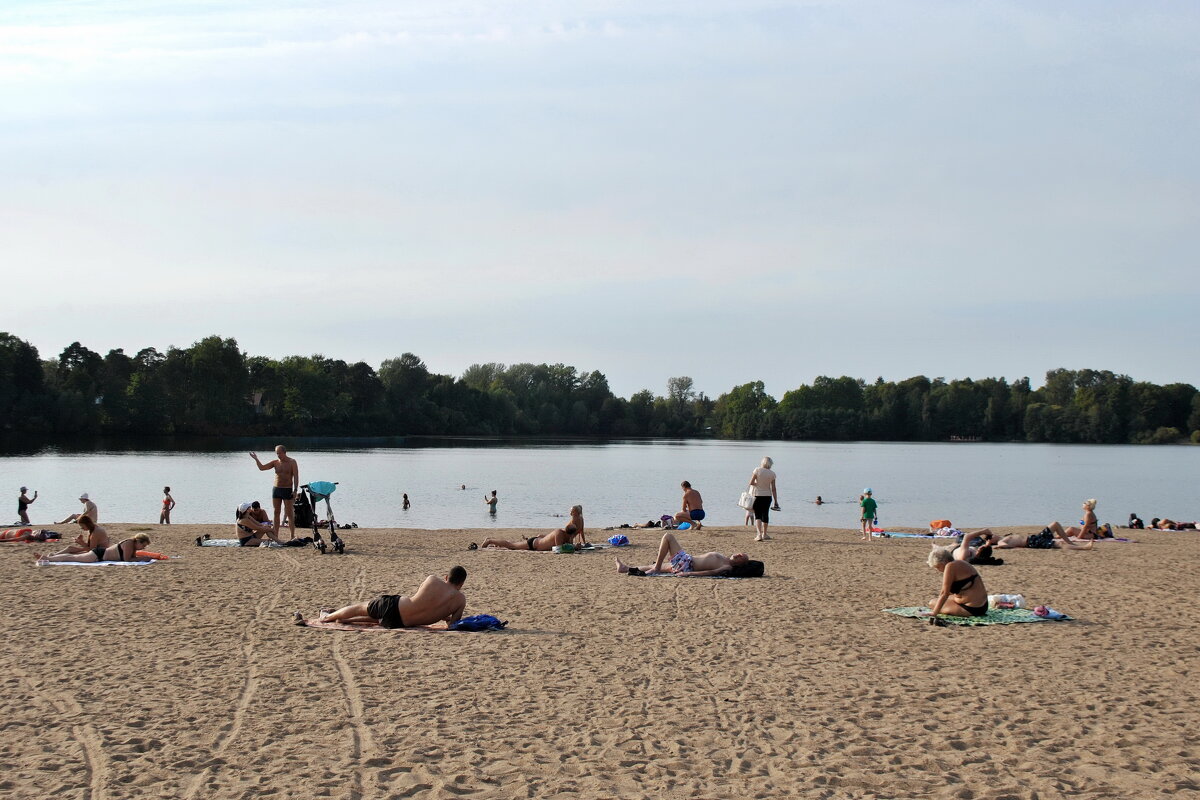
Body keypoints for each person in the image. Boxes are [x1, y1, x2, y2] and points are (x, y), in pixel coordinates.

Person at [303, 567, 468, 629]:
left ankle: (328, 617)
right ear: (461, 584)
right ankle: (342, 619)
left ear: (446, 577)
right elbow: (453, 624)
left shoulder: (433, 579)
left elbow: (421, 600)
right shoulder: (460, 600)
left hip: (396, 606)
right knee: (373, 618)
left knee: (360, 607)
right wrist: (443, 615)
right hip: (399, 623)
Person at [614, 531, 761, 577]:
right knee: (652, 566)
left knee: (668, 536)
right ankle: (625, 568)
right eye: (740, 553)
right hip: (685, 563)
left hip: (687, 563)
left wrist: (688, 574)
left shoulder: (727, 567)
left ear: (741, 563)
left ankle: (657, 567)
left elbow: (710, 572)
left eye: (742, 557)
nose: (738, 554)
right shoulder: (725, 559)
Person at [922, 545, 989, 623]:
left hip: (972, 609)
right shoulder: (961, 563)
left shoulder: (949, 566)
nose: (939, 570)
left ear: (943, 562)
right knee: (939, 600)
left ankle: (938, 609)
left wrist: (934, 613)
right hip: (983, 605)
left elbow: (944, 593)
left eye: (938, 567)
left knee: (932, 603)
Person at [480, 505, 586, 550]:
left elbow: (567, 546)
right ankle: (489, 540)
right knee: (511, 545)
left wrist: (575, 547)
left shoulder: (568, 537)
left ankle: (496, 544)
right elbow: (559, 549)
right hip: (533, 544)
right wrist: (573, 548)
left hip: (538, 542)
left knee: (512, 545)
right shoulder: (559, 533)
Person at [250, 446, 299, 539]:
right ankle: (276, 535)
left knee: (289, 513)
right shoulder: (275, 462)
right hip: (276, 489)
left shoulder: (292, 462)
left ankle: (292, 535)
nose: (278, 455)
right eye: (277, 453)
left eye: (280, 453)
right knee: (276, 512)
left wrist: (295, 490)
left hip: (287, 489)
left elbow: (296, 476)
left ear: (285, 452)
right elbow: (262, 468)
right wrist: (256, 459)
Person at [38, 532, 152, 564]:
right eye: (143, 545)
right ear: (138, 541)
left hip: (101, 555)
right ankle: (49, 558)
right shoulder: (129, 543)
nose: (142, 548)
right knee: (73, 558)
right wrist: (142, 559)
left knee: (74, 557)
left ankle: (53, 556)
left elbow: (132, 558)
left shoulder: (132, 546)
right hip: (99, 554)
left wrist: (141, 558)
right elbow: (127, 560)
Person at [748, 456, 780, 542]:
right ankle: (765, 534)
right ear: (770, 464)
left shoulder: (757, 470)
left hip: (757, 495)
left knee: (758, 515)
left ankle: (759, 535)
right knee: (765, 514)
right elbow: (773, 488)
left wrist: (757, 484)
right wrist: (776, 501)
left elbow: (751, 482)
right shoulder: (772, 474)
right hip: (767, 496)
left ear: (762, 462)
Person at [993, 526, 1093, 550]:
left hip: (1034, 537)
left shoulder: (1003, 537)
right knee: (1059, 544)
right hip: (1032, 542)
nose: (993, 535)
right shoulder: (1001, 541)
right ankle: (1084, 548)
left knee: (1055, 524)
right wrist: (992, 546)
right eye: (991, 536)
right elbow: (1004, 546)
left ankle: (1071, 543)